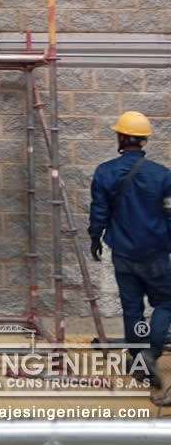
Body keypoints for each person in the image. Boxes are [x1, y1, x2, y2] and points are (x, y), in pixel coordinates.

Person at [89, 110, 171, 388]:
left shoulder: (104, 171)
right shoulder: (163, 175)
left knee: (132, 308)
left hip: (123, 252)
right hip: (156, 252)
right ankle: (151, 352)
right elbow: (170, 215)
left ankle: (137, 358)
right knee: (165, 302)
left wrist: (95, 238)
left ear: (121, 138)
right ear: (144, 141)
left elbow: (99, 212)